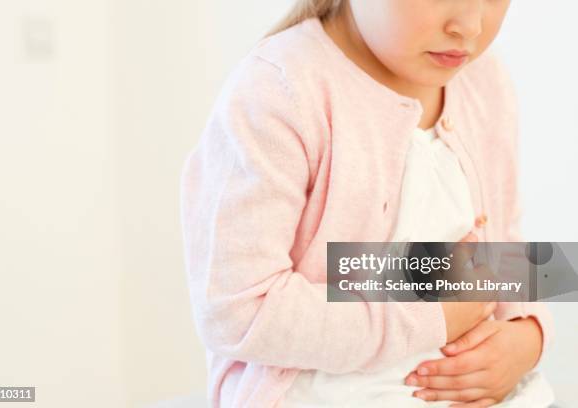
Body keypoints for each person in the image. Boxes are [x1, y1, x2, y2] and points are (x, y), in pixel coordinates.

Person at [179, 0, 555, 406]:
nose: (469, 26)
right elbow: (236, 312)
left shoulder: (484, 79)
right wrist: (433, 316)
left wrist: (529, 334)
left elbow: (504, 247)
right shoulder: (279, 90)